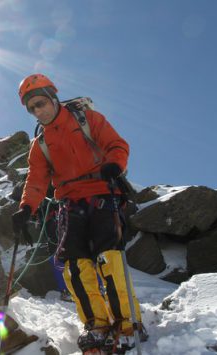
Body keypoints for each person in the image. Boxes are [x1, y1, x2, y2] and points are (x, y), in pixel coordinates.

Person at [11, 74, 146, 353]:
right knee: (74, 266)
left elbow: (117, 145)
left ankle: (127, 323)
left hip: (102, 193)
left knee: (109, 258)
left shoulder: (87, 119)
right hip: (69, 204)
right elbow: (36, 180)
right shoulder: (40, 144)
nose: (38, 110)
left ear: (53, 97)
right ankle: (96, 324)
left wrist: (114, 165)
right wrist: (26, 207)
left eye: (41, 103)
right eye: (32, 108)